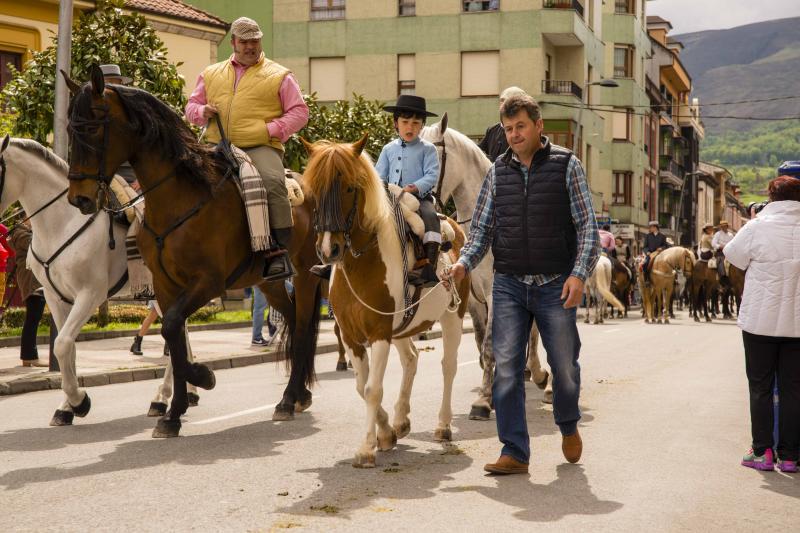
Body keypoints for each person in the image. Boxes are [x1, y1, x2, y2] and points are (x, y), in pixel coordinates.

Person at [447, 93, 599, 474]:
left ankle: (567, 423)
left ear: (538, 125)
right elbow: (480, 229)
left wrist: (579, 274)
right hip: (510, 283)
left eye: (521, 127)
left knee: (563, 366)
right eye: (508, 129)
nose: (514, 135)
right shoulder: (498, 171)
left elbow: (587, 228)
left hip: (555, 285)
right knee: (507, 368)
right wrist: (464, 263)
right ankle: (514, 450)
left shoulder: (567, 165)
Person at [185, 16, 309, 281]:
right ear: (233, 42)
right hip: (216, 145)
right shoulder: (211, 73)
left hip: (259, 146)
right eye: (245, 41)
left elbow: (300, 113)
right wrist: (201, 111)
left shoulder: (280, 75)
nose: (251, 46)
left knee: (273, 182)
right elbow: (190, 107)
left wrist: (271, 130)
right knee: (182, 176)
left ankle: (277, 252)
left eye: (255, 40)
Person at [724, 175, 800, 473]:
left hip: (760, 324)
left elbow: (733, 256)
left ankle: (762, 452)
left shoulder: (757, 226)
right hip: (797, 326)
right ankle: (791, 456)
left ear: (771, 196)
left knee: (760, 388)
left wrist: (754, 220)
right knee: (795, 389)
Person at [375, 94, 442, 287]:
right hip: (392, 197)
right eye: (405, 122)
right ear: (396, 123)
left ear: (422, 125)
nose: (410, 127)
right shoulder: (388, 149)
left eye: (415, 123)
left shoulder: (428, 149)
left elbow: (431, 175)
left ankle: (428, 264)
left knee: (431, 218)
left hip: (419, 198)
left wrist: (415, 187)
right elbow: (379, 175)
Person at [8, 220, 47, 367]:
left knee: (33, 319)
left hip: (33, 281)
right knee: (32, 319)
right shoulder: (21, 234)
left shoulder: (22, 232)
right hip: (31, 282)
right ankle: (30, 357)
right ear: (24, 219)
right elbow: (37, 245)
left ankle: (28, 357)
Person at [99, 64, 137, 185]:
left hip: (131, 176)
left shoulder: (134, 111)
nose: (111, 88)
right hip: (99, 175)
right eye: (107, 84)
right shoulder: (89, 112)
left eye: (115, 84)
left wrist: (140, 181)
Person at [478, 86, 527, 162]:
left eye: (506, 101)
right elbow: (478, 152)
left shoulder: (526, 131)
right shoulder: (492, 130)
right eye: (501, 101)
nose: (502, 106)